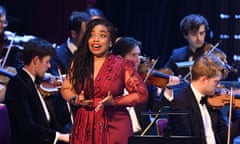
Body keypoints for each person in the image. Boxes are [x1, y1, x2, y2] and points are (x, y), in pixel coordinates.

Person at [61, 19, 148, 144]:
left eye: (102, 35)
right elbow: (66, 88)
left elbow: (141, 94)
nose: (96, 39)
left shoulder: (122, 64)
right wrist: (75, 99)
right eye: (91, 35)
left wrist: (115, 101)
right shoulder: (78, 62)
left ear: (111, 41)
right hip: (85, 123)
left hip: (114, 123)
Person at [4, 38, 69, 144]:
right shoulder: (18, 85)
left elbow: (48, 121)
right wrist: (59, 136)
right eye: (47, 62)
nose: (49, 66)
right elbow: (27, 126)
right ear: (35, 60)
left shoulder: (33, 82)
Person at [164, 54, 240, 144]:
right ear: (203, 79)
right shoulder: (180, 104)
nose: (219, 86)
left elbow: (222, 137)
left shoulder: (213, 101)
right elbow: (185, 141)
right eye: (216, 81)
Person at [46, 11, 91, 133]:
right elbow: (57, 91)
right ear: (74, 34)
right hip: (68, 118)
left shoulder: (91, 55)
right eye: (86, 34)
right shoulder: (58, 55)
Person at [164, 14, 225, 81]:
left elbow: (226, 78)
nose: (199, 38)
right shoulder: (177, 54)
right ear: (185, 35)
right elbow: (166, 74)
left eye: (201, 33)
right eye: (194, 34)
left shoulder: (215, 54)